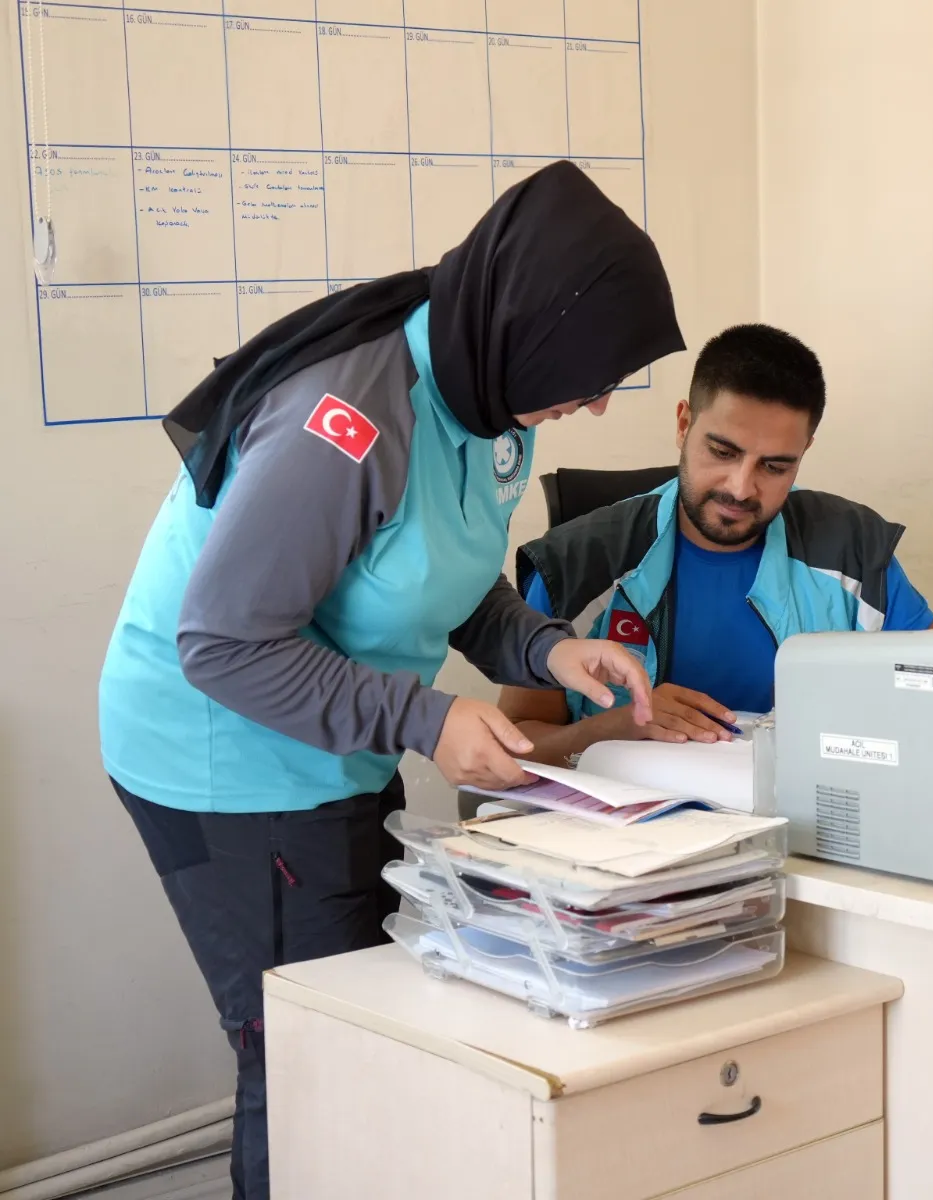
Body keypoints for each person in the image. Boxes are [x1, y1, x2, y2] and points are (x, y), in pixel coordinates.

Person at [98, 162, 684, 1200]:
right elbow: (223, 642)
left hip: (334, 738)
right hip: (221, 756)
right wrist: (423, 716)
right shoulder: (350, 419)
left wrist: (549, 648)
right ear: (528, 332)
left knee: (370, 1028)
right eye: (590, 377)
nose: (594, 406)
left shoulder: (491, 397)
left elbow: (434, 584)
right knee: (308, 1056)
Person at [494, 323, 933, 773]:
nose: (742, 488)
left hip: (806, 826)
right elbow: (513, 748)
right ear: (684, 424)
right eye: (723, 452)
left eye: (775, 466)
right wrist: (615, 729)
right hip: (628, 833)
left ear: (804, 453)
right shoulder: (580, 563)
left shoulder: (854, 550)